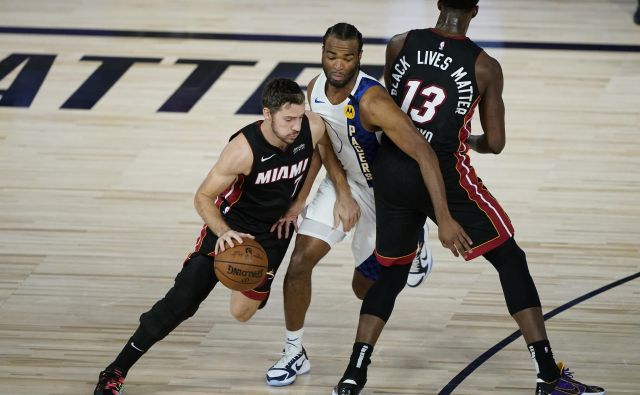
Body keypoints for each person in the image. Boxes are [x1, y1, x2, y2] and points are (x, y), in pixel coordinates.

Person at [331, 2, 606, 395]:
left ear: (440, 4)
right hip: (443, 175)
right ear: (475, 11)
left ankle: (353, 374)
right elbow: (495, 142)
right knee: (511, 259)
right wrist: (466, 148)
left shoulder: (399, 43)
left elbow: (389, 111)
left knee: (391, 273)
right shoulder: (485, 66)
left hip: (391, 173)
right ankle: (548, 376)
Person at [93, 78, 329, 395]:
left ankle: (274, 316)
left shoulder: (311, 128)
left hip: (273, 233)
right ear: (267, 114)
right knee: (181, 302)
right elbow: (203, 197)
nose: (295, 126)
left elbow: (320, 152)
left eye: (299, 116)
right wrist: (224, 232)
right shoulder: (242, 150)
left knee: (241, 313)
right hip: (230, 228)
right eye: (288, 119)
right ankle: (115, 371)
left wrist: (300, 200)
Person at [265, 22, 470, 387]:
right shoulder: (313, 90)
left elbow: (423, 152)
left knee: (364, 289)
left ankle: (416, 237)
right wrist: (306, 200)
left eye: (347, 57)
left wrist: (441, 217)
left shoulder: (373, 101)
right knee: (298, 264)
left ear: (360, 58)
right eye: (332, 55)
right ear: (322, 53)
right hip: (342, 184)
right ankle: (293, 350)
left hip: (385, 196)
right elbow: (322, 145)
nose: (338, 64)